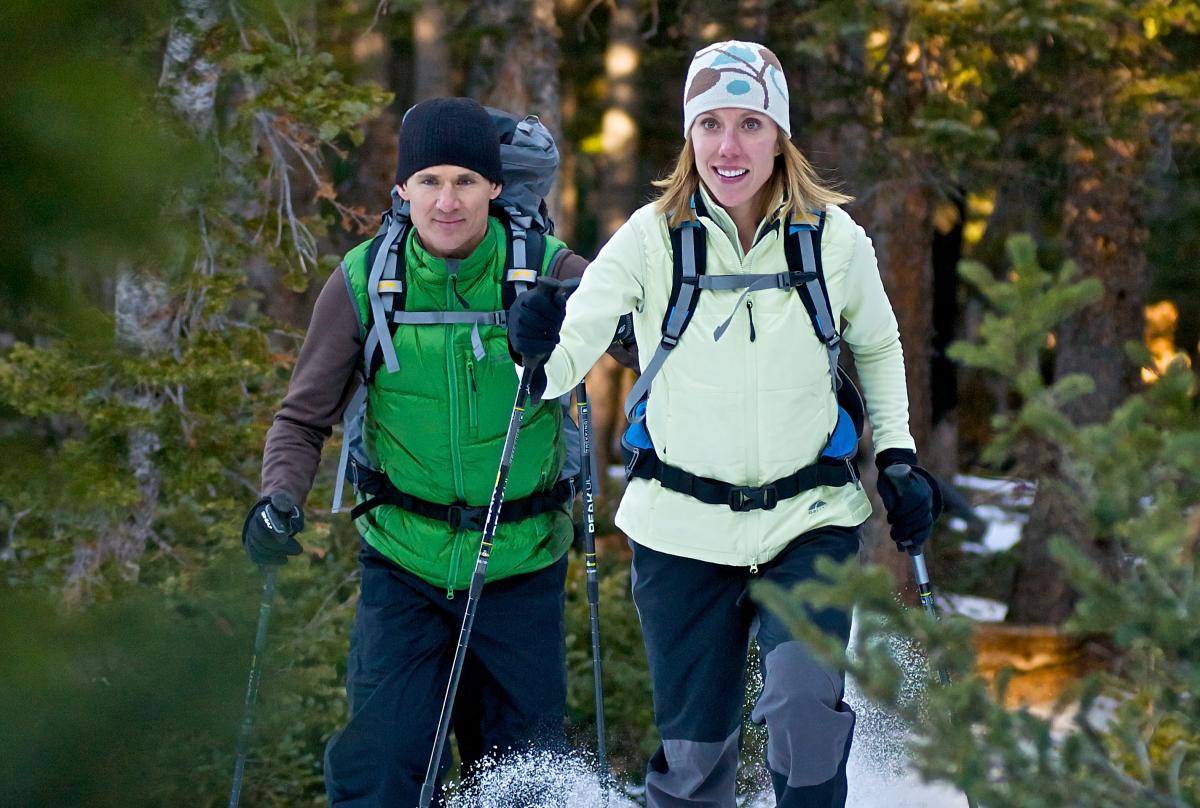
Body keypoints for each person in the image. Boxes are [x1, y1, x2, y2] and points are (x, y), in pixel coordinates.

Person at [507, 42, 939, 807]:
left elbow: (877, 343)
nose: (728, 146)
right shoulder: (647, 238)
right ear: (688, 135)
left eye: (749, 123)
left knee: (805, 717)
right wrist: (533, 347)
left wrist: (898, 456)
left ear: (780, 135)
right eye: (710, 124)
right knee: (695, 762)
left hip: (808, 518)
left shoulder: (833, 241)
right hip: (680, 530)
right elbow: (565, 360)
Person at [240, 97, 631, 807]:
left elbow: (640, 336)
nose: (446, 200)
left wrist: (571, 310)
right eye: (429, 181)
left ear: (492, 187)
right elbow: (302, 418)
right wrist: (278, 499)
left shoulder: (544, 266)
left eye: (464, 181)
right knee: (380, 767)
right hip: (404, 566)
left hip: (522, 567)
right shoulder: (364, 281)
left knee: (525, 783)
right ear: (402, 190)